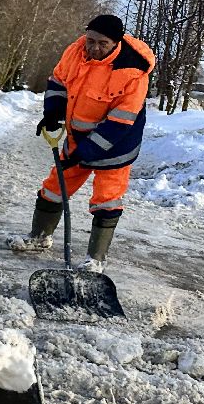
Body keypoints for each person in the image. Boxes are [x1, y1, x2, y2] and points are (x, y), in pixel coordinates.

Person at [9, 14, 155, 272]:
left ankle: (95, 259)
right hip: (78, 138)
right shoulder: (75, 52)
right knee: (54, 187)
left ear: (116, 43)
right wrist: (53, 112)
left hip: (116, 146)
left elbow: (120, 122)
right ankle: (39, 237)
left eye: (103, 43)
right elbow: (58, 81)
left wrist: (87, 151)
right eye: (91, 40)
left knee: (106, 200)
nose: (94, 48)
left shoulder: (133, 72)